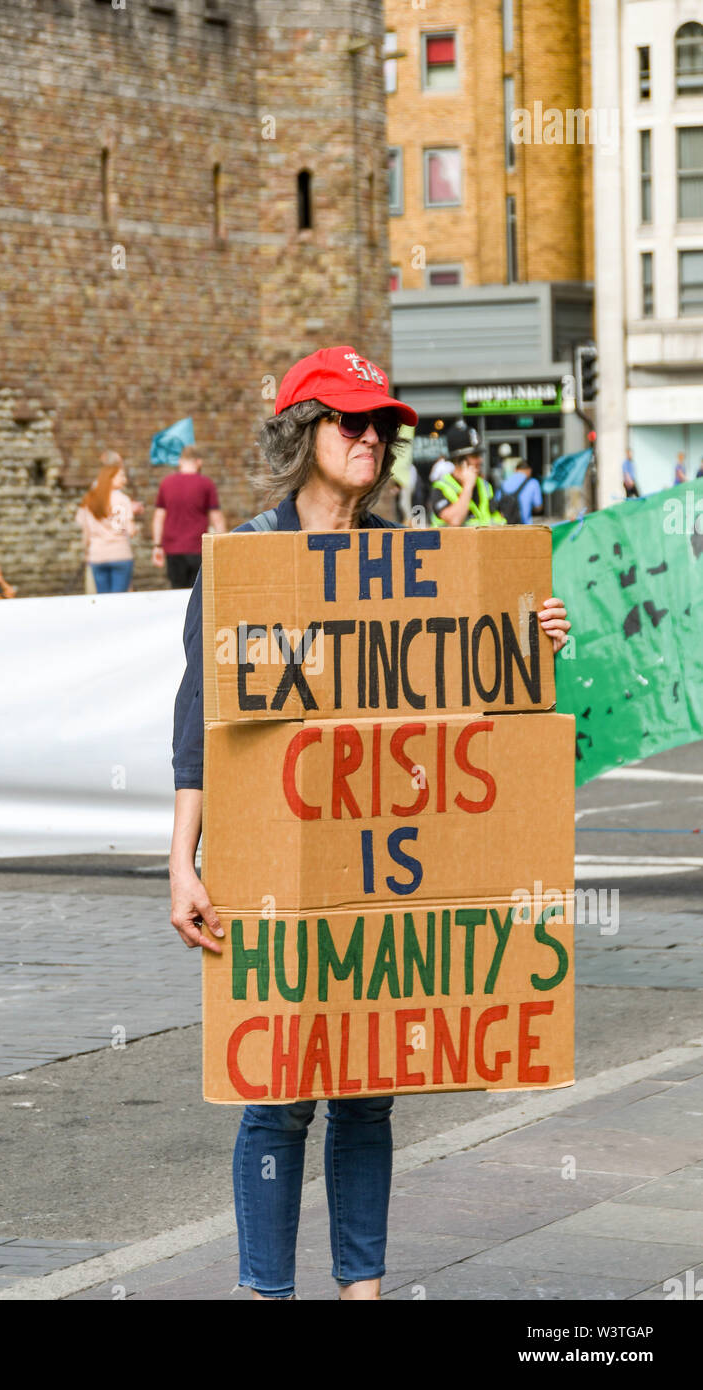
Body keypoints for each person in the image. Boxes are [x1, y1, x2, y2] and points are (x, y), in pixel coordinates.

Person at [168, 344, 572, 1301]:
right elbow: (200, 728)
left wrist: (535, 638)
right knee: (277, 1095)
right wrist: (182, 864)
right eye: (352, 423)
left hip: (382, 857)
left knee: (365, 1087)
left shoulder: (411, 561)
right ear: (305, 432)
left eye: (383, 429)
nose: (372, 442)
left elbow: (478, 701)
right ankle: (266, 1292)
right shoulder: (245, 561)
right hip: (273, 852)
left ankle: (363, 1293)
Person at [152, 445, 226, 589]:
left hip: (173, 550)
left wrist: (157, 546)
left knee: (177, 592)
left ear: (180, 461)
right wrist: (223, 546)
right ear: (199, 462)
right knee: (197, 594)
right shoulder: (206, 484)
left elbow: (158, 517)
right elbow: (216, 518)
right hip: (198, 548)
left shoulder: (166, 483)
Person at [75, 454, 138, 594]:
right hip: (120, 554)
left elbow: (86, 532)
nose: (125, 480)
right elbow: (131, 530)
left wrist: (86, 552)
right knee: (119, 600)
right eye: (121, 476)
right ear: (111, 478)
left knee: (103, 600)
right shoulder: (122, 499)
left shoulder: (89, 499)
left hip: (97, 555)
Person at [429, 421, 504, 527]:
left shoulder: (485, 486)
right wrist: (468, 486)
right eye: (475, 456)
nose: (480, 460)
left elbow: (498, 521)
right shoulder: (441, 488)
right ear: (459, 460)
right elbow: (455, 520)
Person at [495, 458, 544, 525]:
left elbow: (497, 505)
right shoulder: (533, 483)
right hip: (524, 527)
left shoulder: (504, 482)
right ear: (529, 470)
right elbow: (538, 507)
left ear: (515, 470)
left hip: (505, 527)